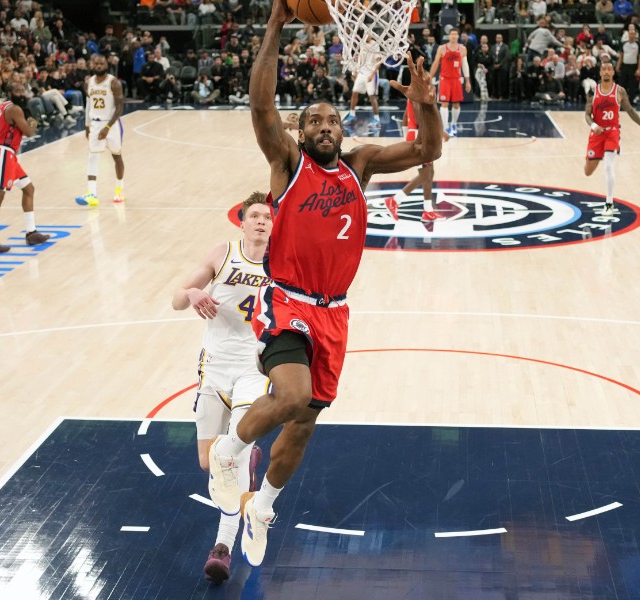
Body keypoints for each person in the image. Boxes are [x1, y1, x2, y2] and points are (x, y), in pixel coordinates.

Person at [206, 0, 442, 569]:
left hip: (334, 312)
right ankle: (229, 451)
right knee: (289, 396)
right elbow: (261, 105)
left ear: (343, 129)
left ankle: (263, 507)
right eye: (313, 121)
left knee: (304, 424)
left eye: (332, 121)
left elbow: (428, 150)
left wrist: (427, 105)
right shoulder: (288, 165)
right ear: (301, 130)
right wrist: (275, 25)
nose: (324, 127)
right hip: (286, 300)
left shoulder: (360, 166)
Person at [171, 192, 272, 584]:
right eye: (255, 216)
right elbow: (176, 300)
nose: (261, 221)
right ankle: (247, 458)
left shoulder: (282, 261)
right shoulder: (222, 253)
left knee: (229, 459)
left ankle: (222, 548)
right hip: (213, 367)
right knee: (206, 462)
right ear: (242, 222)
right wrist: (192, 292)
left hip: (253, 369)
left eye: (267, 217)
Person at [0, 82, 51, 253]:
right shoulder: (15, 109)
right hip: (3, 152)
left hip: (3, 152)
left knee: (28, 188)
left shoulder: (1, 107)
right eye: (17, 90)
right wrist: (33, 122)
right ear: (9, 93)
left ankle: (31, 232)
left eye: (22, 90)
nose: (21, 93)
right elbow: (29, 132)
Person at [584, 61, 640, 216]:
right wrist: (594, 125)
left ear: (613, 72)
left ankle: (609, 203)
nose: (607, 72)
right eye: (604, 69)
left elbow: (630, 110)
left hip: (612, 132)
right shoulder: (593, 92)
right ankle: (596, 156)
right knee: (588, 172)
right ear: (600, 73)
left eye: (609, 69)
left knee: (608, 166)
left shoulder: (619, 91)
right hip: (597, 133)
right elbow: (587, 115)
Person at [385, 100, 451, 224]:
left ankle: (427, 211)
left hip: (417, 136)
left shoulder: (413, 95)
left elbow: (406, 116)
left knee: (429, 173)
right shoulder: (417, 94)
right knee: (425, 174)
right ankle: (395, 200)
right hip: (419, 137)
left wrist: (406, 136)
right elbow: (420, 120)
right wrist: (439, 132)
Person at [76, 55, 126, 207]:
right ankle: (92, 194)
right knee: (92, 156)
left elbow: (119, 108)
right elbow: (88, 105)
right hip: (95, 124)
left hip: (112, 124)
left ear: (106, 65)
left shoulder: (114, 83)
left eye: (101, 64)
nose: (99, 66)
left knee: (117, 156)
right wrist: (87, 126)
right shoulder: (88, 83)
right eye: (96, 63)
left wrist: (108, 127)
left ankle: (119, 189)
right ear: (92, 65)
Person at [429, 28, 471, 137]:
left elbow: (465, 65)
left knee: (456, 104)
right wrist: (429, 77)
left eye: (456, 34)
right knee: (444, 103)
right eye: (452, 34)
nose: (454, 36)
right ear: (449, 36)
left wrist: (467, 81)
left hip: (456, 79)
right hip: (445, 79)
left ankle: (454, 124)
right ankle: (445, 127)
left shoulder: (462, 49)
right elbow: (435, 63)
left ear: (458, 36)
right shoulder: (442, 48)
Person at [342, 51, 382, 128]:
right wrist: (356, 71)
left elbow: (378, 63)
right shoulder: (362, 47)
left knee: (372, 96)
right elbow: (360, 60)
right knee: (354, 92)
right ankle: (352, 114)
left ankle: (377, 119)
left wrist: (372, 75)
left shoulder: (375, 46)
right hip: (362, 72)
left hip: (371, 72)